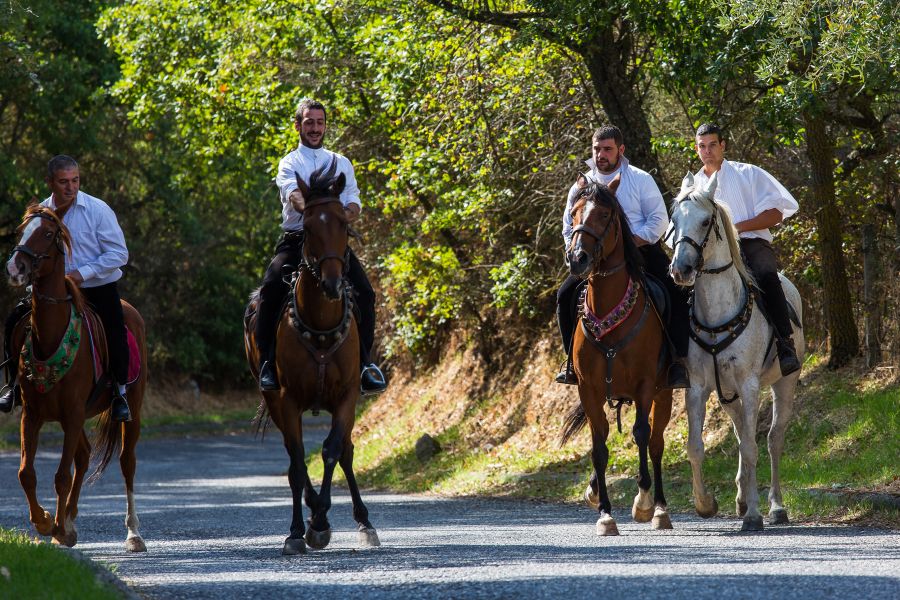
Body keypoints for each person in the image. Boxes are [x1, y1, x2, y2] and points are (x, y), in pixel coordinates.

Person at [255, 98, 386, 395]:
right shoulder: (290, 162)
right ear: (298, 125)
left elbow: (354, 202)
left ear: (326, 125)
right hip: (298, 238)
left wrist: (341, 215)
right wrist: (311, 209)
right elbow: (293, 196)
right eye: (309, 122)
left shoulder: (341, 162)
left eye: (320, 122)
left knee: (365, 292)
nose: (315, 128)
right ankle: (267, 363)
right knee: (271, 287)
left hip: (332, 240)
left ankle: (365, 365)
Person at [556, 125, 690, 388]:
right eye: (597, 149)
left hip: (640, 250)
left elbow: (659, 219)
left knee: (675, 291)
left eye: (607, 149)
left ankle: (677, 362)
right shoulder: (581, 185)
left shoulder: (639, 179)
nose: (601, 154)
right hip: (593, 257)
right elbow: (568, 226)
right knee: (564, 296)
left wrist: (630, 243)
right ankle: (572, 364)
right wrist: (575, 251)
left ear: (621, 150)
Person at [0, 155, 132, 421]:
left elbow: (119, 254)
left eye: (75, 180)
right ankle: (13, 385)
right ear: (50, 182)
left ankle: (119, 393)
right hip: (51, 291)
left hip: (95, 287)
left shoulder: (98, 209)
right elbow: (29, 251)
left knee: (115, 327)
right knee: (15, 319)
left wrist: (81, 274)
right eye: (63, 182)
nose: (70, 187)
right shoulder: (40, 214)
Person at [693, 123, 801, 376]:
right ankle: (685, 357)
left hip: (750, 242)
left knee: (765, 274)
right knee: (683, 286)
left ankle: (785, 344)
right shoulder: (693, 186)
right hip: (709, 252)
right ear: (696, 149)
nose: (707, 151)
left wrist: (735, 227)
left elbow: (775, 214)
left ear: (723, 145)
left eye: (712, 145)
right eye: (702, 146)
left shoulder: (748, 174)